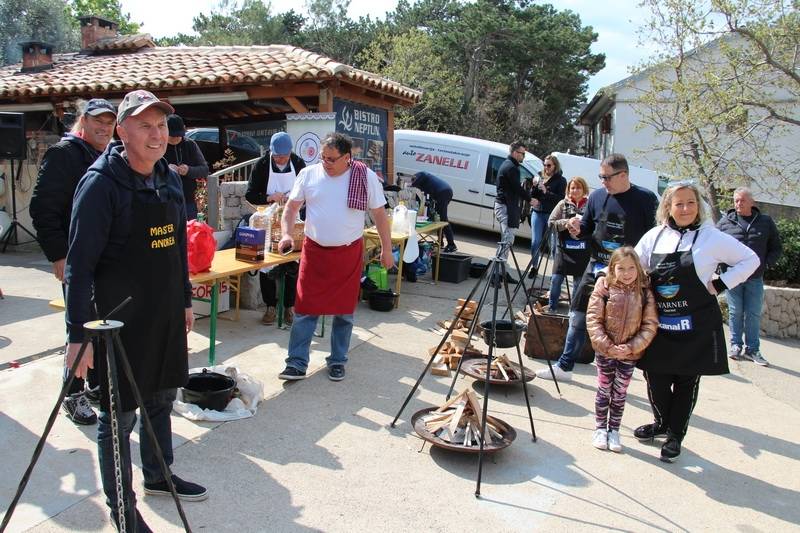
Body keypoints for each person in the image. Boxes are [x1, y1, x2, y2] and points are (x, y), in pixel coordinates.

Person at [65, 90, 207, 532]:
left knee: (161, 398)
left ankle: (159, 475)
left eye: (161, 125)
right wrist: (78, 336)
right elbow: (79, 267)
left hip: (163, 312)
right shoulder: (100, 184)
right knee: (119, 416)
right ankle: (122, 509)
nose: (156, 134)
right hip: (118, 323)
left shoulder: (167, 177)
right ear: (121, 131)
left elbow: (177, 247)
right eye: (145, 125)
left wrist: (184, 298)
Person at [632, 182, 758, 462]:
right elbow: (634, 265)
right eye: (679, 203)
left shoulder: (711, 237)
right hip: (659, 324)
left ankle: (675, 435)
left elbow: (750, 259)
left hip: (696, 325)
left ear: (698, 206)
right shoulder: (655, 237)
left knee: (686, 382)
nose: (685, 208)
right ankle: (661, 422)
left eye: (690, 202)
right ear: (668, 207)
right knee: (655, 376)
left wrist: (722, 283)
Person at [277, 132, 393, 382]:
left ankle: (338, 360)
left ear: (347, 157)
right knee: (304, 308)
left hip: (347, 253)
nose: (325, 163)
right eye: (323, 158)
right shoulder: (308, 174)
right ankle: (296, 363)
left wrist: (386, 248)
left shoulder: (364, 177)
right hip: (314, 252)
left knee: (344, 312)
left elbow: (379, 215)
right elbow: (291, 208)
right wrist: (286, 234)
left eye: (331, 159)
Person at [30, 98, 117, 425]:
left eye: (109, 122)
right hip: (77, 260)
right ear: (83, 120)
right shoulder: (64, 154)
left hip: (106, 261)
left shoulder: (108, 155)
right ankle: (72, 393)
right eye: (97, 121)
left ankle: (95, 384)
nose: (104, 127)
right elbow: (42, 208)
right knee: (80, 327)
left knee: (102, 328)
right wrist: (58, 255)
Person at [535, 154, 658, 382]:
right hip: (596, 267)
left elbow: (654, 238)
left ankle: (620, 376)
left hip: (628, 276)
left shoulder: (646, 199)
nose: (603, 182)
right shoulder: (597, 196)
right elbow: (586, 227)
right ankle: (565, 366)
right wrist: (576, 228)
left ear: (623, 175)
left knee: (620, 326)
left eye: (606, 177)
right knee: (577, 315)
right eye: (601, 177)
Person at [586, 246, 658, 452]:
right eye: (621, 268)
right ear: (612, 269)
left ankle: (614, 430)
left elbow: (650, 324)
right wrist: (608, 346)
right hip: (605, 351)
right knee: (604, 390)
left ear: (638, 268)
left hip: (629, 354)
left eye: (631, 268)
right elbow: (593, 319)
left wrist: (631, 347)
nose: (627, 273)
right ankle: (600, 429)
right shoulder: (604, 287)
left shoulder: (644, 291)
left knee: (619, 393)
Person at [245, 131, 306, 325]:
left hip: (293, 219)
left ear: (290, 152)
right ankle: (270, 306)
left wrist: (294, 200)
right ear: (271, 152)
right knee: (267, 265)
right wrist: (269, 197)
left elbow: (307, 191)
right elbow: (250, 194)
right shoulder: (262, 165)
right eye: (277, 156)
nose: (281, 159)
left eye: (284, 156)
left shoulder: (298, 163)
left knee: (292, 262)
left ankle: (290, 306)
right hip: (267, 220)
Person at [716, 187, 782, 366]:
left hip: (755, 277)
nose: (738, 204)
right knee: (736, 312)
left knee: (753, 313)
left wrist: (765, 264)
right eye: (736, 200)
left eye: (742, 200)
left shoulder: (765, 221)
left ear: (752, 202)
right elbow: (714, 247)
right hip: (732, 276)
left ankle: (753, 350)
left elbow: (776, 248)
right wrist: (719, 268)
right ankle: (735, 346)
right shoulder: (725, 223)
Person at [546, 176, 590, 312]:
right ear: (568, 190)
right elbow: (551, 223)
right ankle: (552, 308)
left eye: (578, 188)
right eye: (573, 188)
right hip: (564, 250)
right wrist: (566, 222)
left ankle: (573, 311)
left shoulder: (590, 205)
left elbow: (595, 225)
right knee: (556, 280)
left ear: (584, 189)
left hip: (582, 252)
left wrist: (582, 224)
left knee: (578, 284)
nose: (575, 190)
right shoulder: (562, 204)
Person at [493, 141, 532, 283]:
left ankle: (502, 272)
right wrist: (530, 199)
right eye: (522, 153)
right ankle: (496, 275)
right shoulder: (511, 167)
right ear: (515, 153)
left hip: (505, 206)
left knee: (507, 240)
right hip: (504, 207)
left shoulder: (509, 165)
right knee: (507, 240)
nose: (523, 156)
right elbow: (517, 188)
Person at [529, 154, 567, 279]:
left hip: (552, 215)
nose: (546, 168)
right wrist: (533, 187)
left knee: (553, 245)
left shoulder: (561, 180)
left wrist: (546, 191)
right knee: (535, 242)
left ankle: (554, 272)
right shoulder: (540, 176)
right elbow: (533, 195)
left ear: (555, 166)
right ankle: (534, 267)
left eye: (549, 165)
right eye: (544, 165)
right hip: (537, 212)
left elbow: (560, 199)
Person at [164, 114, 209, 220]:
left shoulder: (190, 145)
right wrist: (165, 169)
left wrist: (189, 170)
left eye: (179, 135)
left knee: (190, 228)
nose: (176, 138)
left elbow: (204, 170)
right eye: (172, 136)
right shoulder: (158, 146)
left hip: (188, 200)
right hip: (165, 199)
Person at [411, 171, 457, 252]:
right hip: (445, 191)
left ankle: (451, 244)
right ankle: (440, 242)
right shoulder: (425, 179)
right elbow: (428, 197)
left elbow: (427, 197)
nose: (418, 188)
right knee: (438, 217)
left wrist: (411, 185)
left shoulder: (423, 179)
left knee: (443, 219)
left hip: (443, 193)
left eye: (417, 186)